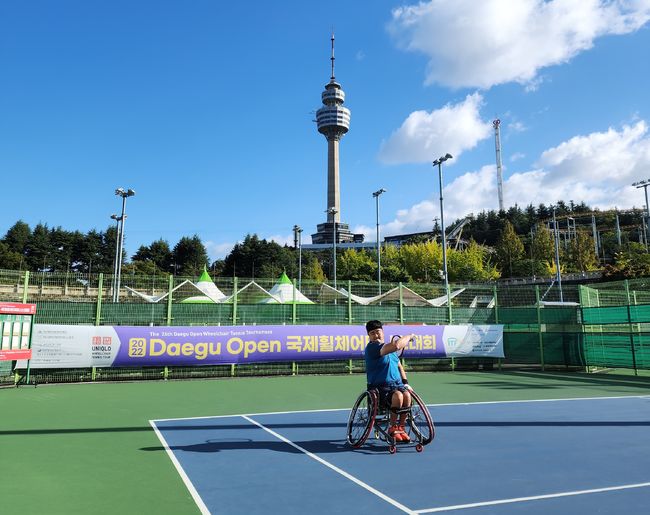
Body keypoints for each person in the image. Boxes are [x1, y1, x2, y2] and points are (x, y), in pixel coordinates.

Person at [364, 320, 414, 443]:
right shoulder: (372, 348)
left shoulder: (390, 350)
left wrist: (406, 382)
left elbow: (399, 367)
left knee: (407, 395)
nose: (376, 335)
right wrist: (409, 336)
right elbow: (396, 345)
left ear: (383, 332)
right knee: (398, 396)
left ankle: (400, 427)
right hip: (380, 388)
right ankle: (392, 428)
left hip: (397, 384)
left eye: (378, 332)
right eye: (372, 333)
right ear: (369, 336)